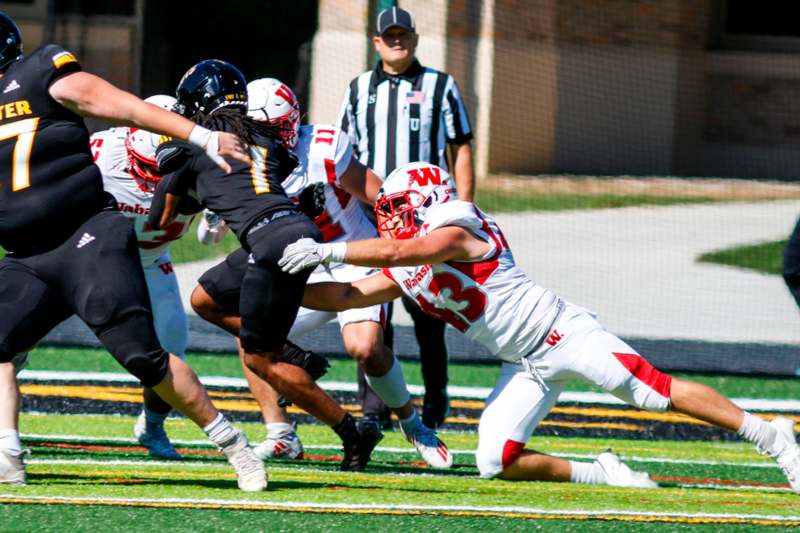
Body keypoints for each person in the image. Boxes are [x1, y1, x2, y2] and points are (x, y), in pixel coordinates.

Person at [278, 161, 800, 492]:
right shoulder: (408, 258)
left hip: (563, 334)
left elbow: (403, 248)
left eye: (397, 207)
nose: (388, 217)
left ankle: (772, 438)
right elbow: (346, 294)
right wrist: (274, 284)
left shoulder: (457, 229)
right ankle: (604, 471)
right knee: (494, 459)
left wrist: (329, 248)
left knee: (650, 392)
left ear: (428, 202)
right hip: (523, 363)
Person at [0, 12, 266, 491]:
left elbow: (117, 103)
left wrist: (201, 137)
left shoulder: (41, 71)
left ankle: (234, 446)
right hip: (27, 253)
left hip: (87, 238)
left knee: (145, 355)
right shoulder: (109, 150)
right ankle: (7, 453)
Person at [190, 78, 452, 469]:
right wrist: (214, 213)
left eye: (279, 126)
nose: (273, 134)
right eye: (264, 126)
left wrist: (414, 241)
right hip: (297, 266)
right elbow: (210, 236)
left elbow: (378, 194)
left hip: (350, 256)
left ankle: (413, 424)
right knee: (252, 340)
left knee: (365, 347)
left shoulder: (325, 146)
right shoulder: (236, 150)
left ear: (295, 120)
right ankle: (280, 433)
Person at [150, 60, 384, 472]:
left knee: (260, 359)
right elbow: (269, 178)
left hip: (269, 243)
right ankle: (292, 349)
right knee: (205, 298)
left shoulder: (190, 147)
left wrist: (173, 170)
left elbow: (161, 221)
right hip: (290, 229)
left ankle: (352, 432)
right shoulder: (263, 136)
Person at [338, 6, 475, 429]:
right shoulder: (359, 88)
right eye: (389, 36)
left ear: (414, 39)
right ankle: (375, 409)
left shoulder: (441, 86)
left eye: (403, 34)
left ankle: (435, 402)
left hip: (428, 218)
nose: (397, 41)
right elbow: (345, 154)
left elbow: (461, 147)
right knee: (374, 312)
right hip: (375, 217)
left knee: (431, 314)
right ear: (376, 42)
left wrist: (464, 209)